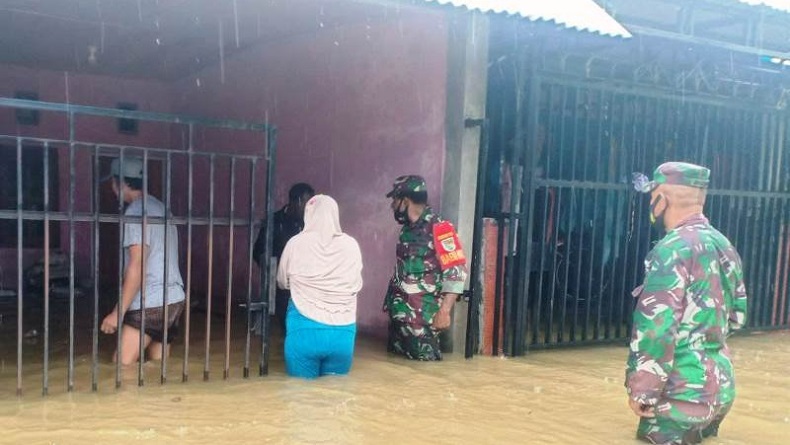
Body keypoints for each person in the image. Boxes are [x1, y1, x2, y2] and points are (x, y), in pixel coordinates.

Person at [626, 162, 748, 445]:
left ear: (661, 198)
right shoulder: (724, 245)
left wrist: (643, 391)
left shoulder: (671, 250)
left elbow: (657, 328)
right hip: (720, 391)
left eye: (651, 195)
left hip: (680, 398)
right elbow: (737, 317)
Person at [99, 156, 185, 365]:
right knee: (158, 368)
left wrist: (116, 313)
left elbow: (137, 265)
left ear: (120, 183)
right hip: (174, 300)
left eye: (112, 182)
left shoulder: (136, 213)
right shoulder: (161, 208)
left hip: (151, 302)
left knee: (121, 366)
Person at [276, 195, 363, 378]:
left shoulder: (296, 243)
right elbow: (356, 283)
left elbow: (282, 282)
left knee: (301, 397)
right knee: (335, 397)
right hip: (343, 333)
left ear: (308, 215)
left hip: (304, 330)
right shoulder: (351, 245)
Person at [383, 175, 468, 361]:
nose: (392, 206)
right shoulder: (407, 229)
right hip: (399, 318)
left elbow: (457, 272)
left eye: (395, 200)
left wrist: (445, 311)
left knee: (425, 377)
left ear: (405, 201)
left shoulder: (441, 228)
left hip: (422, 322)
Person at [253, 183, 315, 332]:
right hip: (281, 283)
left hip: (305, 283)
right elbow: (258, 251)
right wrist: (273, 270)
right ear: (297, 201)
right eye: (307, 203)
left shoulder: (311, 223)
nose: (310, 208)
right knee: (287, 323)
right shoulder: (274, 221)